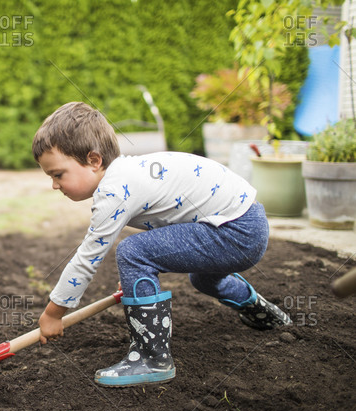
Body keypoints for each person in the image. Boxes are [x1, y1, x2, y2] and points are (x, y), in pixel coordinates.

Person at [32, 101, 291, 387]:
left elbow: (88, 257)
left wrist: (53, 313)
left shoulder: (114, 191)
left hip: (236, 232)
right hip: (245, 223)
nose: (55, 185)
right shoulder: (129, 172)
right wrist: (138, 283)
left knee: (132, 252)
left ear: (94, 160)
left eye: (58, 174)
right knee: (203, 280)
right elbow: (175, 222)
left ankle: (152, 358)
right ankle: (262, 312)